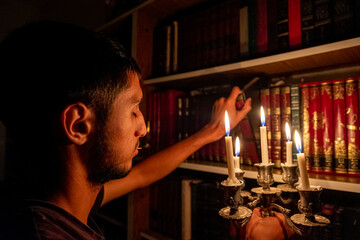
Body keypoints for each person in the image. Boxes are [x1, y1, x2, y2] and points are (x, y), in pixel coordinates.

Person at [0, 20, 252, 239]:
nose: (143, 128)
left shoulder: (59, 202)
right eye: (133, 110)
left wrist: (212, 131)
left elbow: (142, 175)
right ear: (78, 125)